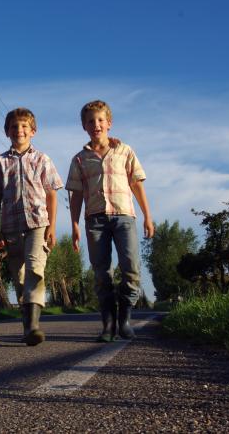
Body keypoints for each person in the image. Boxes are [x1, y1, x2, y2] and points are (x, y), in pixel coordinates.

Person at [66, 100, 154, 342]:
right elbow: (76, 194)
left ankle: (125, 319)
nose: (96, 124)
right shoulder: (80, 159)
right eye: (91, 121)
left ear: (109, 123)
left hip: (124, 217)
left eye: (100, 120)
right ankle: (108, 324)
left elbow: (136, 184)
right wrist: (74, 224)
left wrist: (148, 216)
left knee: (131, 268)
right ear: (84, 126)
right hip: (95, 221)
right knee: (102, 273)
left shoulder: (124, 151)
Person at [0, 108, 63, 346]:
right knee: (19, 276)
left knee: (35, 269)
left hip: (38, 223)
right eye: (14, 127)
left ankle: (34, 327)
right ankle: (27, 324)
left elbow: (51, 194)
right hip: (11, 226)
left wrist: (52, 227)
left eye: (24, 127)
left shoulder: (42, 159)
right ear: (7, 131)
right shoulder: (0, 162)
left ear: (33, 131)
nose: (19, 131)